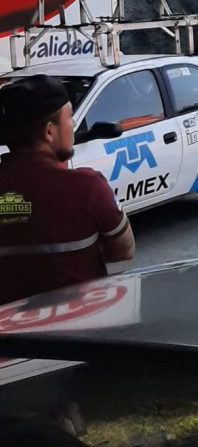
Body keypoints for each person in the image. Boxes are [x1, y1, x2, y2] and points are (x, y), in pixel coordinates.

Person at [0, 75, 135, 304]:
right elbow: (124, 250)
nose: (73, 126)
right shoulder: (88, 187)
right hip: (78, 328)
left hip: (11, 333)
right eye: (70, 117)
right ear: (50, 132)